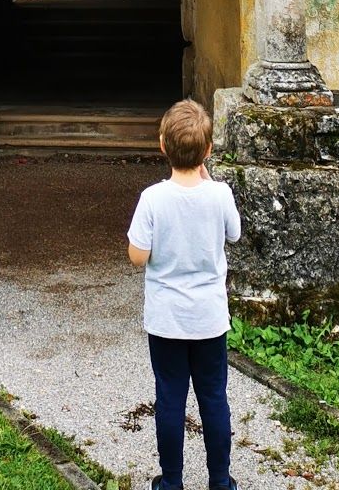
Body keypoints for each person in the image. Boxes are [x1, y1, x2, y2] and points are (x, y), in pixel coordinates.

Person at [127, 99, 242, 490]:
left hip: (167, 318)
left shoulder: (152, 199)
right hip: (209, 317)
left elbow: (137, 256)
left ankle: (172, 480)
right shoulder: (220, 194)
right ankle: (220, 480)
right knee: (214, 397)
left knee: (171, 398)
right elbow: (234, 234)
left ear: (162, 145)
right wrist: (210, 185)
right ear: (208, 150)